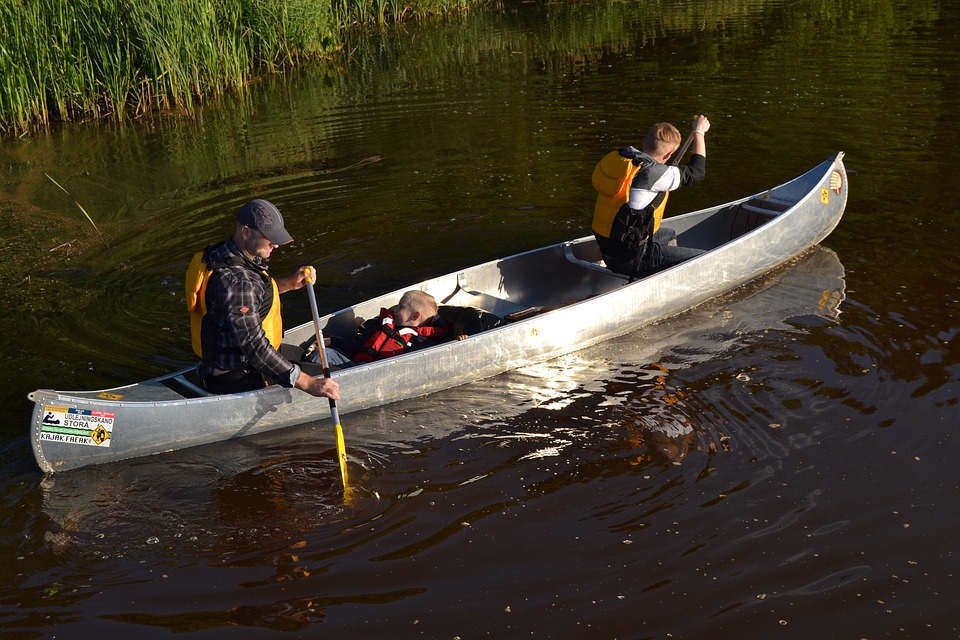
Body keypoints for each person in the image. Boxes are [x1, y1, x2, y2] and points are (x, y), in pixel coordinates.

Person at [185, 198, 340, 400]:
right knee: (339, 371)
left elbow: (249, 298)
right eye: (269, 238)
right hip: (239, 376)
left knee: (304, 355)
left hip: (229, 363)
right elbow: (254, 346)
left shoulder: (220, 254)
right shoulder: (238, 281)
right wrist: (309, 384)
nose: (275, 244)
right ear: (246, 232)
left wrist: (290, 283)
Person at [592, 115, 711, 279]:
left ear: (644, 142)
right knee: (705, 258)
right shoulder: (655, 174)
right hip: (630, 258)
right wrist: (699, 132)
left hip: (608, 248)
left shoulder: (621, 158)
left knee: (668, 234)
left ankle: (659, 273)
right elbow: (698, 171)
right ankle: (660, 282)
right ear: (668, 155)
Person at [315, 290, 461, 367]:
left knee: (321, 357)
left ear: (415, 316)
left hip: (371, 374)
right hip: (356, 364)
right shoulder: (384, 327)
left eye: (401, 307)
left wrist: (458, 343)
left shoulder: (420, 341)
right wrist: (333, 341)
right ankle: (303, 375)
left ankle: (306, 380)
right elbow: (358, 347)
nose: (395, 310)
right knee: (323, 353)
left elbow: (442, 354)